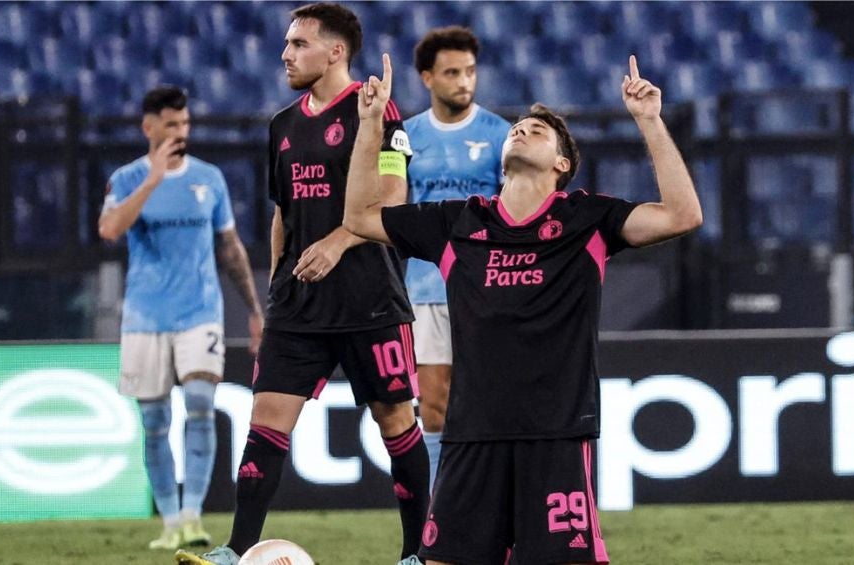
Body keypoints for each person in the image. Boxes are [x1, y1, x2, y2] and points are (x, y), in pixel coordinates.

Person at [344, 55, 702, 565]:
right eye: (517, 127)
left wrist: (649, 120)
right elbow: (359, 216)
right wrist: (369, 125)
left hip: (555, 434)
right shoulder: (460, 221)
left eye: (537, 130)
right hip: (471, 435)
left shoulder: (587, 219)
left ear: (561, 165)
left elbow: (683, 214)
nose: (522, 131)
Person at [175, 4, 427, 565]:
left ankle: (416, 553)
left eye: (297, 44)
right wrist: (276, 284)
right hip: (298, 303)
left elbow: (393, 200)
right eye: (286, 44)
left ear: (335, 51)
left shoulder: (377, 109)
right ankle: (236, 551)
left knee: (394, 422)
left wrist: (339, 241)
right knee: (265, 417)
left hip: (370, 299)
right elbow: (283, 214)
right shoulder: (282, 125)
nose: (284, 54)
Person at [98, 85, 264, 551]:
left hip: (200, 311)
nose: (180, 132)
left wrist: (254, 310)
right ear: (149, 127)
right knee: (153, 420)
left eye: (185, 124)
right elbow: (109, 230)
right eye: (171, 124)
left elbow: (229, 248)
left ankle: (192, 516)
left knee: (198, 403)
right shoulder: (128, 178)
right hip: (145, 316)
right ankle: (169, 519)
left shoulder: (209, 179)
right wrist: (152, 179)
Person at [403, 26, 510, 488]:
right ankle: (436, 514)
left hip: (487, 286)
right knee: (435, 404)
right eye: (451, 73)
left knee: (491, 399)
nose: (463, 81)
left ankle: (490, 504)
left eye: (469, 71)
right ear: (427, 78)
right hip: (426, 286)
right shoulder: (404, 137)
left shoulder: (501, 135)